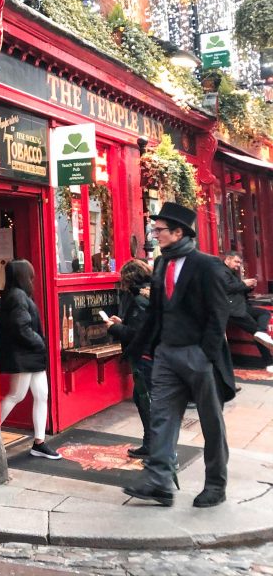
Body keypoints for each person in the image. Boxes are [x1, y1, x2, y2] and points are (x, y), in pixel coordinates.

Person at [123, 202, 234, 508]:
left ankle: (215, 484)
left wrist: (205, 354)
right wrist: (140, 346)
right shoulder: (161, 264)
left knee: (211, 421)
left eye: (159, 230)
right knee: (161, 417)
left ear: (178, 232)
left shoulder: (207, 265)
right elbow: (156, 312)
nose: (154, 234)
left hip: (198, 355)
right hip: (167, 353)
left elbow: (218, 313)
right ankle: (159, 482)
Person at [0, 259, 60, 459]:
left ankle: (39, 442)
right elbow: (20, 327)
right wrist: (40, 343)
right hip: (25, 355)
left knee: (42, 395)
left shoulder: (18, 295)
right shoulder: (18, 297)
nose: (33, 278)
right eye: (30, 274)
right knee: (17, 395)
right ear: (24, 275)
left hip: (31, 356)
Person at [101, 259, 154, 458]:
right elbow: (141, 326)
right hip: (150, 355)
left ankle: (153, 445)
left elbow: (137, 334)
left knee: (144, 399)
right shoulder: (147, 295)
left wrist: (114, 328)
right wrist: (123, 322)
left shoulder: (139, 300)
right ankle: (152, 443)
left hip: (144, 357)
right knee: (144, 399)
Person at [220, 251, 273, 372]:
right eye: (236, 261)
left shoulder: (232, 272)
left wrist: (249, 286)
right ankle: (269, 363)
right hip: (233, 310)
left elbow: (238, 289)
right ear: (228, 259)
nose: (238, 265)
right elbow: (227, 288)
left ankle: (261, 331)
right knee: (259, 336)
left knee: (264, 314)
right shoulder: (221, 271)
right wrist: (243, 283)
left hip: (242, 306)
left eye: (239, 262)